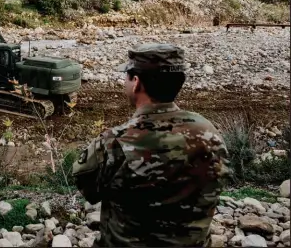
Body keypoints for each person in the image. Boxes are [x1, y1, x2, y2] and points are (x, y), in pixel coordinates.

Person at [72, 43, 230, 248]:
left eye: (127, 76)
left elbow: (88, 190)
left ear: (136, 83)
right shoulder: (211, 133)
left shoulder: (115, 142)